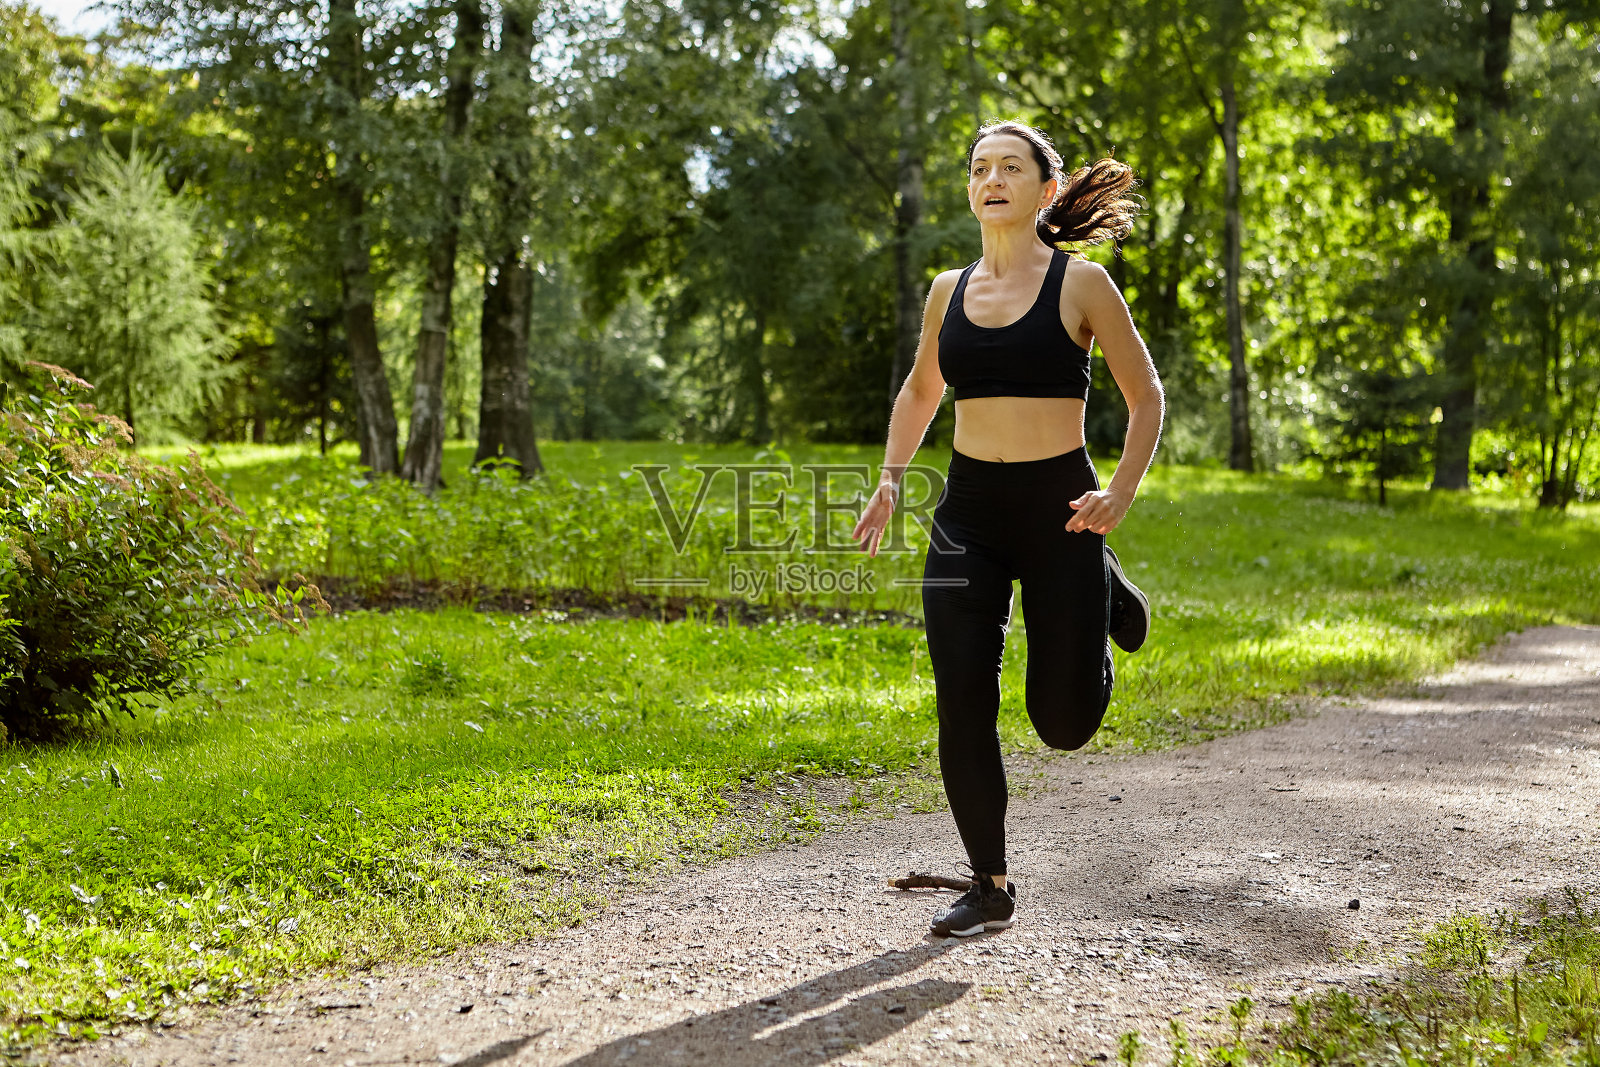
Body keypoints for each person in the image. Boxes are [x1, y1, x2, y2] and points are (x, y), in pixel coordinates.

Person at [851, 120, 1165, 939]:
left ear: (1045, 189)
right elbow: (922, 392)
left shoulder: (1081, 284)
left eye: (1010, 167)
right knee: (962, 699)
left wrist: (1119, 494)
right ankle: (989, 885)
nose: (991, 179)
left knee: (1062, 725)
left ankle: (1104, 585)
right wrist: (889, 479)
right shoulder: (946, 290)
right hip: (968, 517)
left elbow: (1146, 398)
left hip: (1062, 512)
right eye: (979, 167)